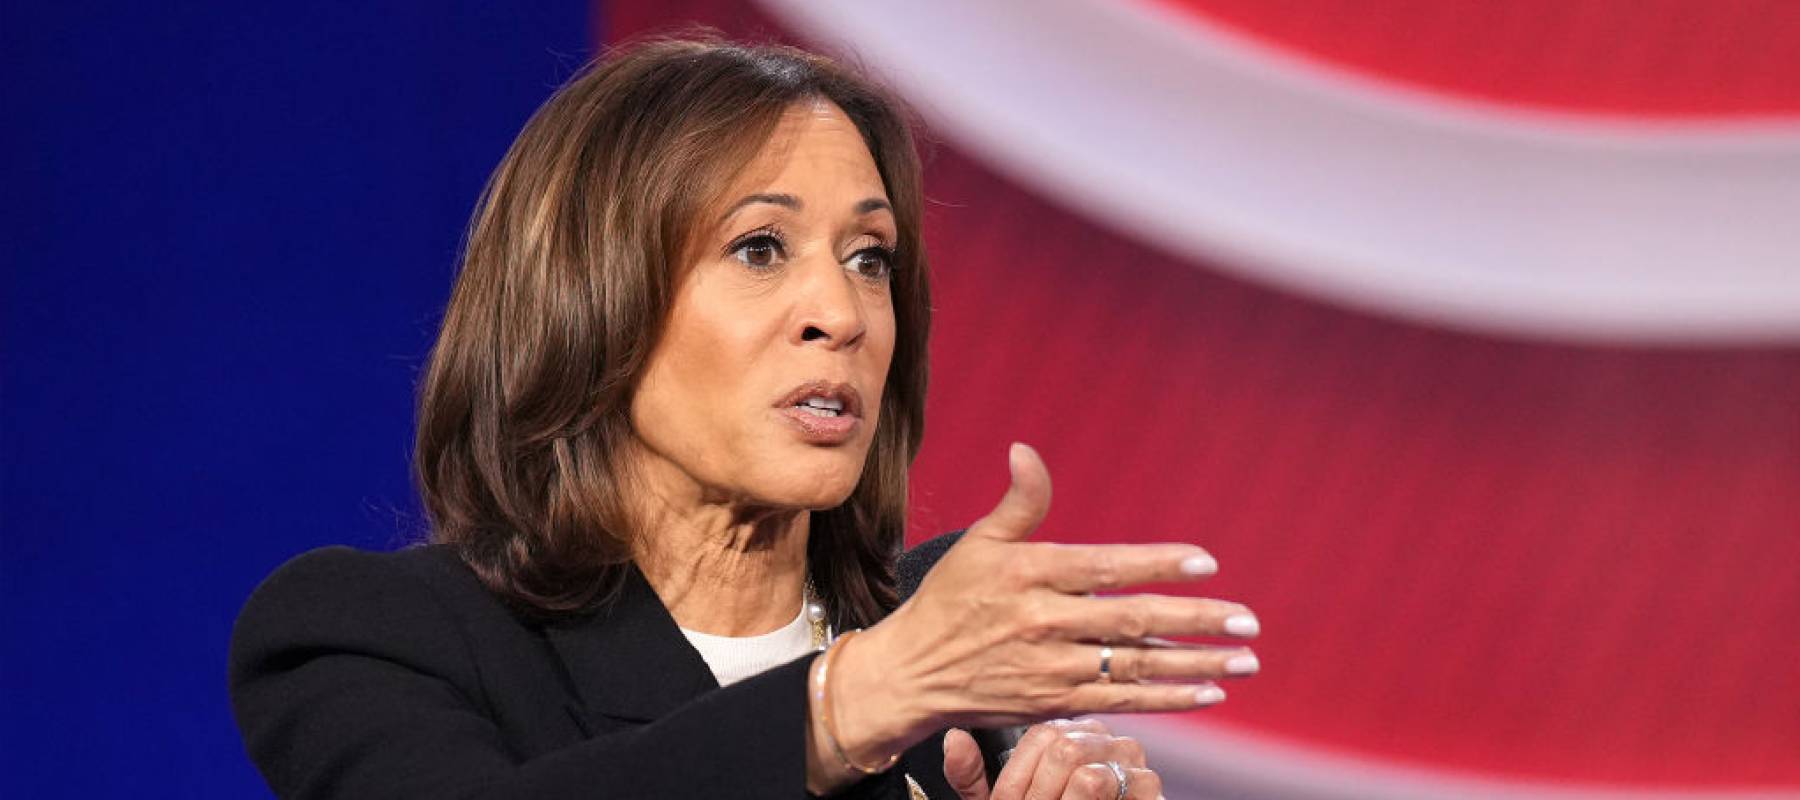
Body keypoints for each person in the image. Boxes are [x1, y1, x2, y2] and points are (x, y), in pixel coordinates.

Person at [229, 34, 1261, 800]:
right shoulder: (372, 638)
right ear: (592, 301)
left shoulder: (954, 679)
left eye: (871, 259)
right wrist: (847, 701)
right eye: (761, 247)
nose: (841, 313)